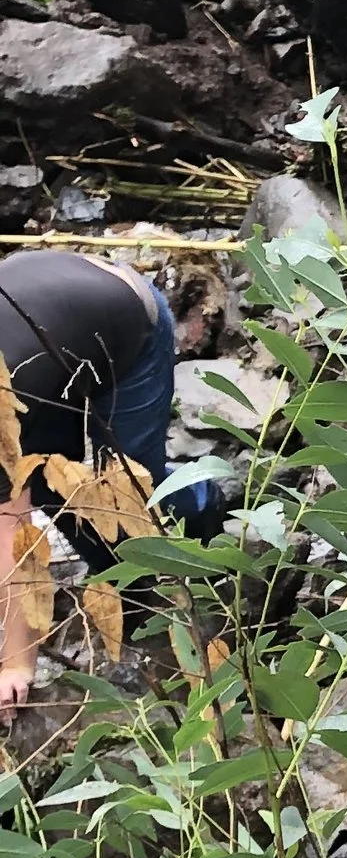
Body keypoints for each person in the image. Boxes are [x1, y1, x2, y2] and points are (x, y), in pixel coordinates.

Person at [0, 250, 211, 719]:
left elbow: (15, 545)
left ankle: (203, 494)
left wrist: (15, 667)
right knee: (58, 489)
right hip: (48, 337)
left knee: (129, 497)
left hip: (124, 323)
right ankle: (122, 580)